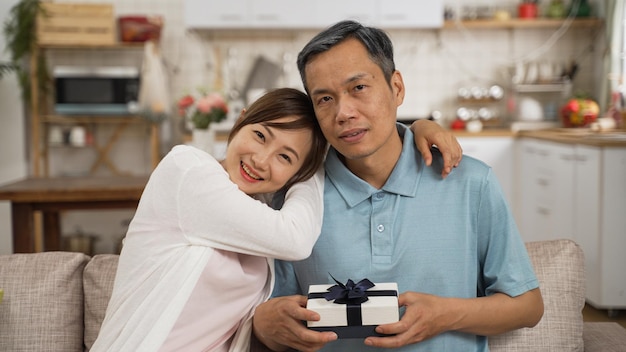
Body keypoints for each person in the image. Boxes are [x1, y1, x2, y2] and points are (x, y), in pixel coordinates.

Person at [91, 88, 461, 352]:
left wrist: (411, 131)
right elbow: (296, 239)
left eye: (286, 158)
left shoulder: (264, 213)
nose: (261, 160)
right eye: (260, 135)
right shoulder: (187, 170)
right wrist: (312, 163)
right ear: (239, 123)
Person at [251, 21, 544, 352]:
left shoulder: (470, 183)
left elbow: (529, 306)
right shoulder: (294, 199)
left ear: (397, 88)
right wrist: (261, 323)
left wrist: (447, 315)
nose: (343, 112)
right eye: (325, 99)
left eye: (359, 88)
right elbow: (269, 309)